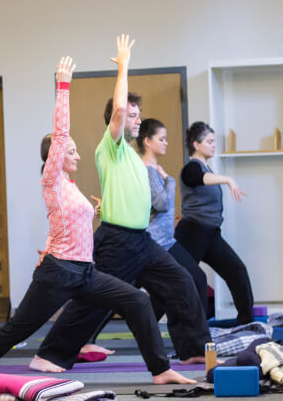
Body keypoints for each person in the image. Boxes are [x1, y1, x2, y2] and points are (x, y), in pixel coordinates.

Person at [0, 56, 194, 385]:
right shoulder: (52, 181)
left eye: (75, 151)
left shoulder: (73, 190)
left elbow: (65, 225)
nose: (76, 155)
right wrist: (63, 85)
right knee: (15, 330)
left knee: (136, 301)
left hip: (84, 272)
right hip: (59, 274)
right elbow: (60, 135)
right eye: (71, 151)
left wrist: (100, 210)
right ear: (55, 158)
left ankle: (160, 370)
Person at [34, 35, 210, 371]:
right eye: (131, 114)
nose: (136, 118)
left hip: (141, 241)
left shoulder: (131, 154)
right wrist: (124, 66)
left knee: (182, 282)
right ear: (116, 121)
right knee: (93, 303)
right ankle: (50, 355)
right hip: (116, 241)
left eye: (138, 114)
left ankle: (192, 349)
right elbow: (117, 109)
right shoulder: (110, 147)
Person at [174, 121, 255, 325]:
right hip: (192, 233)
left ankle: (246, 322)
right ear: (196, 144)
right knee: (182, 281)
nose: (214, 145)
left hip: (210, 235)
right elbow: (196, 178)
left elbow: (205, 177)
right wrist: (228, 179)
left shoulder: (206, 168)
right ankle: (153, 325)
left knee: (237, 271)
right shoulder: (192, 167)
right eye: (209, 141)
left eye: (214, 141)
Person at [136, 117, 213, 318]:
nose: (166, 143)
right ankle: (203, 336)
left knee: (162, 297)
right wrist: (169, 181)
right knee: (197, 279)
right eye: (161, 139)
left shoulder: (152, 170)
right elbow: (161, 203)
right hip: (158, 243)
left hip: (165, 241)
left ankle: (147, 333)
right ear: (147, 141)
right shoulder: (149, 171)